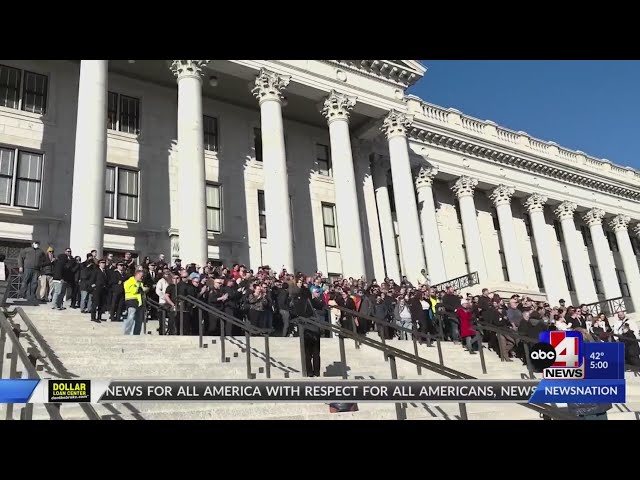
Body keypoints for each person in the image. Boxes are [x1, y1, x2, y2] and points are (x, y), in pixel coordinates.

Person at [124, 269, 145, 335]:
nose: (142, 277)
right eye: (141, 276)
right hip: (131, 300)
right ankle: (127, 332)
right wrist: (138, 288)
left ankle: (137, 333)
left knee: (139, 318)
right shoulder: (129, 281)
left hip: (139, 301)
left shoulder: (140, 283)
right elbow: (130, 290)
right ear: (137, 275)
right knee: (131, 316)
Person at [89, 259, 109, 323]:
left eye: (104, 263)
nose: (103, 264)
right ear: (99, 264)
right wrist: (94, 287)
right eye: (102, 263)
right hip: (97, 289)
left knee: (101, 304)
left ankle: (99, 317)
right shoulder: (96, 271)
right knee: (95, 303)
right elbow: (92, 280)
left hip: (103, 289)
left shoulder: (105, 271)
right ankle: (93, 317)